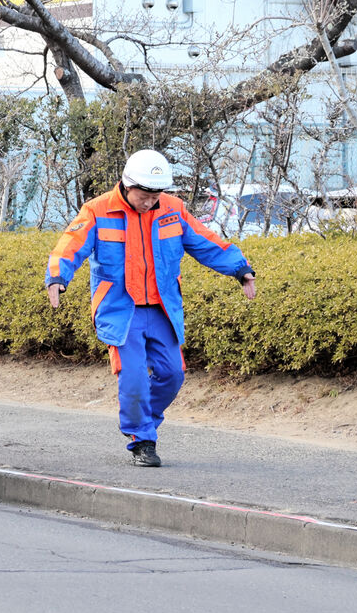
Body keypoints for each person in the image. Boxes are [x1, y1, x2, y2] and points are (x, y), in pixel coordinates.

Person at [45, 149, 258, 467]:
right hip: (120, 310)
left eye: (156, 195)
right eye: (144, 195)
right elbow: (70, 244)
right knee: (133, 378)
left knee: (173, 375)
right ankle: (142, 438)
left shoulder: (173, 210)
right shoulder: (97, 211)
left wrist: (239, 269)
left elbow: (206, 241)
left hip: (162, 308)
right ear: (127, 185)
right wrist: (58, 277)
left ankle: (144, 419)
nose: (149, 202)